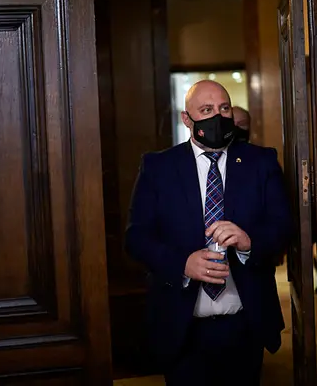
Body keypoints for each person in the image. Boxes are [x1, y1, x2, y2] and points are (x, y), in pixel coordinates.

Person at [125, 80, 292, 386]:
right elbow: (136, 237)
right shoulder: (158, 167)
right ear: (186, 119)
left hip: (245, 325)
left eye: (224, 108)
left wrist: (249, 243)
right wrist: (182, 264)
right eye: (206, 110)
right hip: (182, 326)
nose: (218, 116)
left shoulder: (261, 161)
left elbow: (283, 227)